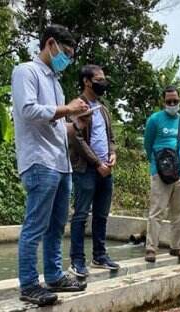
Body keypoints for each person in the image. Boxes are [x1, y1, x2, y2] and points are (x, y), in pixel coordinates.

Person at [12, 24, 89, 306]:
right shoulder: (26, 72)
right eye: (65, 53)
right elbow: (28, 111)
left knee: (56, 225)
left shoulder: (54, 82)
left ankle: (55, 276)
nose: (66, 59)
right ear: (51, 43)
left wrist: (74, 123)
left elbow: (54, 124)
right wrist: (67, 109)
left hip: (60, 162)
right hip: (39, 161)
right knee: (35, 224)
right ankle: (29, 284)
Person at [68, 65, 119, 277]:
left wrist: (113, 154)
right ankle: (77, 260)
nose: (103, 82)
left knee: (101, 214)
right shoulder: (76, 106)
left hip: (106, 169)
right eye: (99, 79)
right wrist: (97, 163)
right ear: (87, 81)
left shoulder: (103, 108)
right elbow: (75, 138)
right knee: (80, 215)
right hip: (85, 169)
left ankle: (99, 255)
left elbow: (110, 137)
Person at [143, 86, 180, 263]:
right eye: (169, 101)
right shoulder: (154, 120)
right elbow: (148, 145)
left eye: (175, 101)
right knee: (157, 211)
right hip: (160, 173)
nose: (172, 104)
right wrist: (156, 166)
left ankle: (177, 247)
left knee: (179, 211)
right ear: (163, 102)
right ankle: (151, 248)